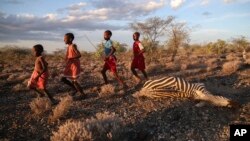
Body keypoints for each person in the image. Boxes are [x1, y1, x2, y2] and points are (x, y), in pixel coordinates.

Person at [61, 33, 86, 98]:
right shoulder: (69, 46)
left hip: (74, 65)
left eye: (65, 38)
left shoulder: (73, 45)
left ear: (70, 39)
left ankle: (83, 94)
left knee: (74, 81)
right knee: (63, 79)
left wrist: (71, 58)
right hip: (70, 65)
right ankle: (75, 89)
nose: (64, 40)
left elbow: (79, 55)